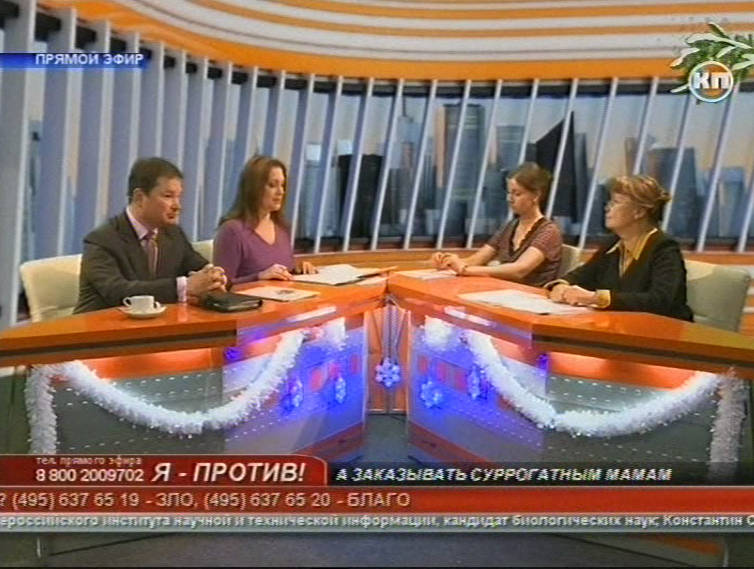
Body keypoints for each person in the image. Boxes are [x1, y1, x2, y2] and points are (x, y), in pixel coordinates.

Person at [75, 157, 226, 313]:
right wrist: (183, 287)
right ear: (139, 198)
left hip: (157, 324)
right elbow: (117, 291)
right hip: (102, 325)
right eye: (168, 196)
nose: (177, 206)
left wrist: (213, 276)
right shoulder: (102, 240)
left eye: (179, 197)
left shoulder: (173, 233)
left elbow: (195, 264)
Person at [547, 175, 693, 321]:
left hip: (662, 329)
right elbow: (582, 275)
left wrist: (596, 298)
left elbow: (659, 300)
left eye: (615, 202)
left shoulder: (664, 247)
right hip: (621, 324)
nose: (607, 208)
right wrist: (562, 285)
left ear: (639, 212)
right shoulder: (613, 243)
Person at [430, 162, 562, 287]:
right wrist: (449, 261)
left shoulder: (549, 231)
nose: (509, 199)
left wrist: (465, 269)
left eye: (517, 194)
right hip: (504, 292)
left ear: (536, 196)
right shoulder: (510, 226)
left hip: (531, 296)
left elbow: (519, 270)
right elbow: (477, 259)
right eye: (509, 193)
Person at [213, 156, 316, 284]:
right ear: (254, 188)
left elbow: (280, 274)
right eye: (272, 185)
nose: (280, 192)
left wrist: (298, 270)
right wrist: (258, 277)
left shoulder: (282, 228)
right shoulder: (232, 231)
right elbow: (221, 285)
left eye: (282, 185)